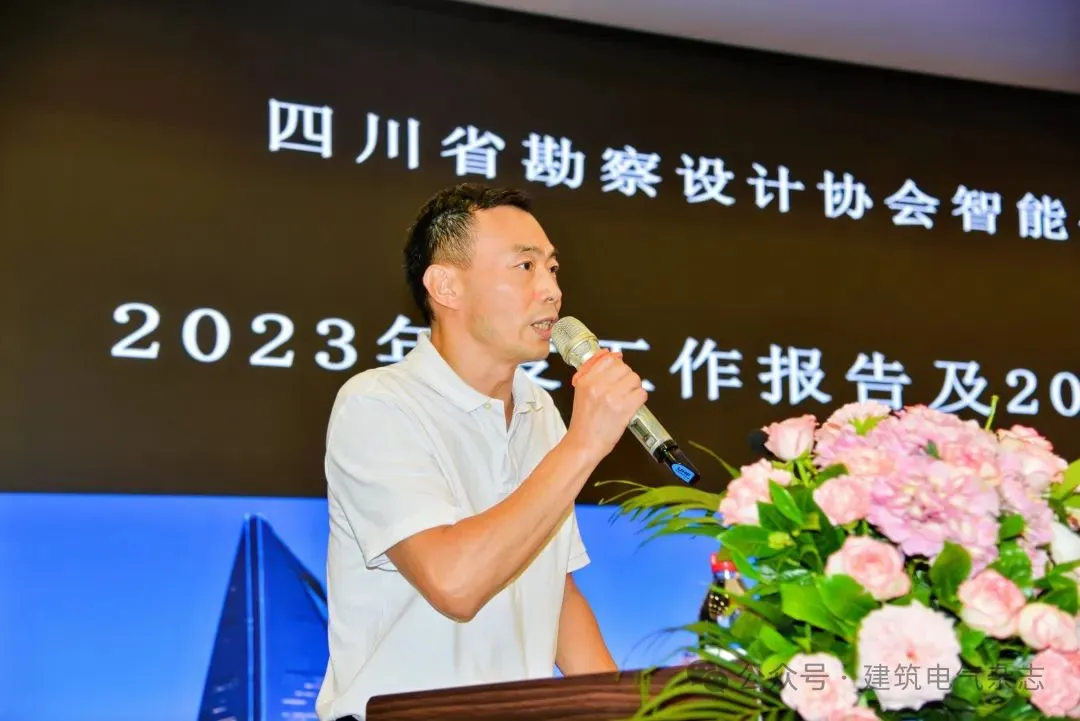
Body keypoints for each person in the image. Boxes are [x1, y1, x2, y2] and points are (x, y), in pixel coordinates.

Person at [314, 183, 650, 721]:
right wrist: (584, 444)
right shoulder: (378, 404)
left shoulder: (539, 409)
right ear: (445, 285)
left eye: (553, 269)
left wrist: (631, 711)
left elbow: (555, 593)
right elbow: (454, 584)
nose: (552, 291)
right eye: (525, 267)